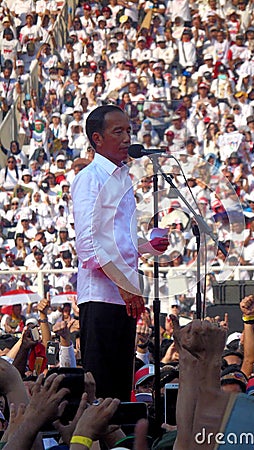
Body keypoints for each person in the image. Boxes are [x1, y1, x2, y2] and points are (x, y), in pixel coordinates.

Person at [72, 105, 168, 401]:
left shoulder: (122, 178)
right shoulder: (91, 179)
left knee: (119, 391)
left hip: (123, 294)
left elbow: (118, 241)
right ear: (97, 139)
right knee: (101, 390)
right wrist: (125, 284)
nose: (127, 138)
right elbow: (89, 245)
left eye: (129, 131)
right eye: (119, 132)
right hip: (103, 296)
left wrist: (146, 247)